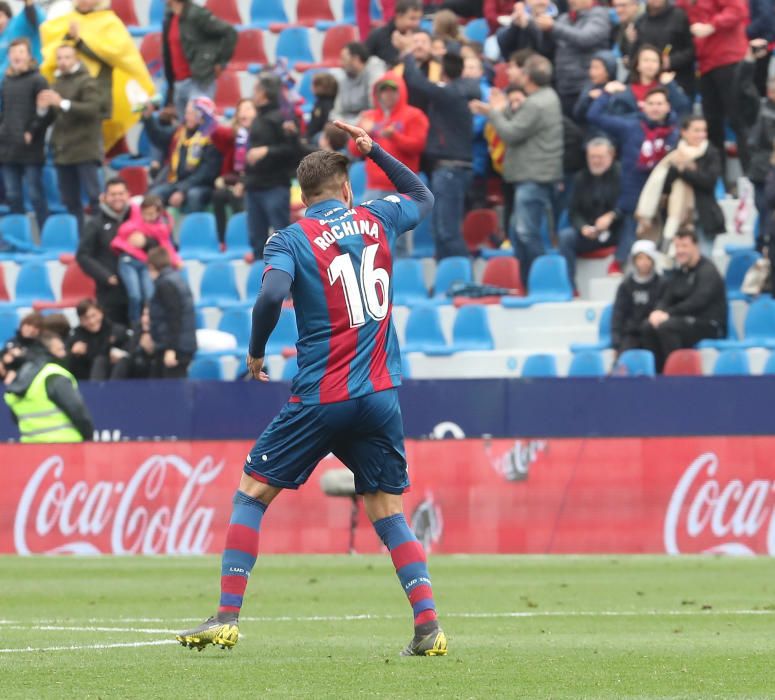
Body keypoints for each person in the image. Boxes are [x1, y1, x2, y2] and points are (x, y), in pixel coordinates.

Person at [175, 121, 446, 658]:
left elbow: (272, 291)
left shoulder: (291, 238)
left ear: (302, 196)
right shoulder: (377, 216)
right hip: (380, 393)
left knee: (252, 491)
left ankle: (227, 616)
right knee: (385, 505)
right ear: (347, 187)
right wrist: (377, 152)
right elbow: (422, 195)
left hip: (322, 394)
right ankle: (428, 625)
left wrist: (255, 350)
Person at [473, 54, 563, 281]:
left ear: (528, 77)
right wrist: (497, 110)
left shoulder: (536, 103)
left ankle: (541, 280)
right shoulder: (544, 97)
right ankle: (526, 280)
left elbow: (511, 133)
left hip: (533, 175)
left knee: (525, 231)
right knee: (517, 231)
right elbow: (519, 121)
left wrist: (494, 112)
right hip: (530, 174)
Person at [40, 0, 156, 154]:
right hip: (69, 95)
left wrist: (80, 42)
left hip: (96, 96)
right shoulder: (66, 21)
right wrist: (69, 37)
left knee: (91, 152)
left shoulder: (109, 23)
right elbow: (56, 54)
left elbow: (112, 56)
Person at [587, 86, 680, 272]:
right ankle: (620, 263)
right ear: (643, 107)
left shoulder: (676, 133)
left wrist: (672, 86)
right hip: (634, 193)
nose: (655, 108)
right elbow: (594, 116)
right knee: (630, 224)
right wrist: (606, 94)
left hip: (666, 193)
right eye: (651, 104)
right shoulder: (630, 126)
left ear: (668, 106)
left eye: (660, 103)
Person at [403, 51, 480, 259]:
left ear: (443, 72)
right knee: (440, 230)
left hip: (451, 170)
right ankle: (449, 282)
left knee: (447, 231)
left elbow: (416, 81)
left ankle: (462, 280)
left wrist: (408, 55)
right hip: (448, 169)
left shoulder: (450, 93)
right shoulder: (461, 91)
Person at [675, 0, 751, 171]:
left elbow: (738, 10)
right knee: (712, 124)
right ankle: (717, 179)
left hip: (728, 59)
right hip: (705, 64)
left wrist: (712, 25)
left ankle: (752, 179)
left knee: (739, 120)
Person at [635, 115, 725, 254]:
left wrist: (682, 170)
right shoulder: (673, 155)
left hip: (704, 217)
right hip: (676, 219)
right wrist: (681, 169)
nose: (701, 135)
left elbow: (708, 181)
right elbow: (664, 184)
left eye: (703, 130)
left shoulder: (711, 153)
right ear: (684, 132)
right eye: (696, 130)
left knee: (703, 258)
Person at [640, 229, 727, 372]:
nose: (680, 251)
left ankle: (677, 374)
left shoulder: (708, 271)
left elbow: (698, 302)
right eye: (677, 246)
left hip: (709, 324)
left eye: (684, 246)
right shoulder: (679, 273)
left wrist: (668, 314)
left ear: (696, 246)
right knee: (648, 326)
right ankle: (658, 374)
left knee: (668, 327)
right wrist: (657, 312)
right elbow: (667, 297)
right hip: (683, 321)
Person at [37, 43, 102, 232]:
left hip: (84, 150)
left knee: (94, 196)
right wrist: (42, 108)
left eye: (67, 57)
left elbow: (93, 110)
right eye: (59, 58)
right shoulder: (56, 83)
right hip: (63, 151)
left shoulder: (88, 81)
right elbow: (52, 117)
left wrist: (62, 103)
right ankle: (78, 238)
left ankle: (101, 237)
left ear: (76, 59)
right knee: (70, 200)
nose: (63, 62)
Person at [244, 73, 301, 259]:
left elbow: (293, 150)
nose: (253, 94)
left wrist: (266, 151)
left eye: (256, 90)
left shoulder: (281, 118)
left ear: (265, 93)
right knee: (257, 239)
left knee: (282, 237)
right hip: (254, 186)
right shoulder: (258, 119)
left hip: (275, 186)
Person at [4, 331, 94, 443]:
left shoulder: (21, 376)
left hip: (30, 449)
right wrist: (89, 436)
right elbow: (77, 410)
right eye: (60, 349)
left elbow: (15, 418)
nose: (64, 354)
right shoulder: (54, 374)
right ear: (48, 351)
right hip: (66, 448)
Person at [0, 38, 49, 230]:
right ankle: (19, 235)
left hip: (31, 148)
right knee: (13, 195)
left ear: (29, 55)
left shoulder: (38, 79)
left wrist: (32, 131)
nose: (16, 56)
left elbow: (46, 112)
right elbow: (4, 111)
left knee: (36, 194)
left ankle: (45, 233)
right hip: (8, 147)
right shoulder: (6, 80)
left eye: (20, 52)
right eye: (13, 52)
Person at [558, 138, 621, 290]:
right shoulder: (581, 178)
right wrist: (583, 227)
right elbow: (574, 211)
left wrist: (612, 216)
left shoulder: (622, 174)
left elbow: (628, 204)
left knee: (630, 224)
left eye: (600, 157)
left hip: (616, 232)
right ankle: (569, 287)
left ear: (611, 155)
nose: (595, 161)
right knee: (566, 237)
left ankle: (619, 262)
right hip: (591, 233)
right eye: (592, 157)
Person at [111, 194, 181, 323]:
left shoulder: (160, 228)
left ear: (158, 213)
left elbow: (166, 246)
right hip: (128, 261)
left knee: (149, 295)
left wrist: (176, 261)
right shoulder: (133, 223)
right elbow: (121, 235)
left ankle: (150, 323)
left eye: (152, 214)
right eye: (146, 214)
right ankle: (135, 324)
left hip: (145, 263)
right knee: (135, 295)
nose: (149, 217)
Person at [146, 97, 223, 213]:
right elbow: (160, 137)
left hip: (202, 185)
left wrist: (182, 190)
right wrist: (148, 118)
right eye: (187, 113)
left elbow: (205, 173)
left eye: (193, 114)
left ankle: (194, 230)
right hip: (177, 182)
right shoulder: (180, 132)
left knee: (193, 196)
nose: (188, 117)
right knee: (153, 196)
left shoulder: (212, 138)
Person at [162, 0, 237, 119]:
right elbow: (168, 54)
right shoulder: (169, 17)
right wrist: (170, 91)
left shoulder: (196, 14)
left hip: (199, 81)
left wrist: (221, 62)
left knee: (199, 128)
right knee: (184, 133)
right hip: (178, 84)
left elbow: (229, 32)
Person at [534, 0, 611, 115]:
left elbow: (585, 38)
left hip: (586, 86)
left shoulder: (599, 15)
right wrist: (545, 32)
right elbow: (547, 49)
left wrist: (553, 27)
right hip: (563, 86)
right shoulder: (563, 18)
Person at [77, 177, 131, 326]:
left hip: (137, 288)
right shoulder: (95, 223)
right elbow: (83, 255)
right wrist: (106, 276)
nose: (117, 198)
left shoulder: (137, 219)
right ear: (105, 197)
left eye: (121, 193)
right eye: (113, 194)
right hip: (110, 292)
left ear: (128, 195)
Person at [211, 98, 256, 245]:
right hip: (237, 180)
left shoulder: (261, 134)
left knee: (239, 196)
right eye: (240, 110)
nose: (243, 112)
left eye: (248, 109)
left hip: (256, 182)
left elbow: (255, 169)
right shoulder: (235, 137)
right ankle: (222, 240)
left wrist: (237, 182)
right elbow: (217, 134)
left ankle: (245, 240)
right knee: (218, 194)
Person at [147, 246, 197, 379]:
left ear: (151, 266)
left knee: (173, 392)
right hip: (181, 344)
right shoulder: (176, 279)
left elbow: (174, 317)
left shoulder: (165, 284)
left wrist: (171, 349)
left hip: (176, 347)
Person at [610, 239, 664, 355]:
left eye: (647, 258)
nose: (644, 262)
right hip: (630, 335)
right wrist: (616, 342)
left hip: (653, 334)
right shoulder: (626, 285)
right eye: (640, 258)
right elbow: (618, 314)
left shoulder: (661, 283)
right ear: (634, 261)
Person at [632, 0, 695, 98]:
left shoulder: (679, 16)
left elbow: (693, 50)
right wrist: (630, 41)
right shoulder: (640, 22)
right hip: (649, 89)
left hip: (679, 81)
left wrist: (671, 61)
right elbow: (634, 56)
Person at [607, 44, 691, 117]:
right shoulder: (626, 90)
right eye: (646, 60)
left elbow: (683, 108)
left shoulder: (667, 87)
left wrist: (670, 85)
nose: (650, 64)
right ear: (637, 65)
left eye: (654, 61)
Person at [67, 298, 131, 381]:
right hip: (85, 381)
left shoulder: (117, 331)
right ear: (80, 320)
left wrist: (120, 354)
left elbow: (130, 353)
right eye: (85, 318)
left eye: (93, 315)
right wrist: (73, 354)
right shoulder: (76, 336)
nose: (91, 321)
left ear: (101, 313)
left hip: (113, 377)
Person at [330, 42, 384, 124]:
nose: (341, 64)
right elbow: (337, 110)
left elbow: (375, 105)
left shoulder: (374, 70)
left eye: (344, 59)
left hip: (368, 122)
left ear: (356, 59)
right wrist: (338, 122)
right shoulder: (343, 77)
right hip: (346, 124)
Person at [748, 76, 775, 226]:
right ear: (770, 93)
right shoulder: (760, 109)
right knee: (765, 213)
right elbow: (744, 87)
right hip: (763, 172)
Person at [365, 0, 423, 66]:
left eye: (419, 19)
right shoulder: (378, 36)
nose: (417, 23)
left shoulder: (421, 36)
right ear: (399, 16)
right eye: (412, 19)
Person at [0, 0, 44, 78]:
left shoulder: (17, 24)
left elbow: (36, 19)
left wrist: (28, 2)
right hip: (7, 85)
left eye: (0, 16)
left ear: (9, 17)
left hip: (29, 79)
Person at [1, 311, 43, 385]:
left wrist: (20, 356)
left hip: (23, 380)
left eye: (35, 327)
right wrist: (3, 359)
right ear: (22, 325)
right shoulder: (13, 341)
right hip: (4, 375)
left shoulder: (40, 345)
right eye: (28, 325)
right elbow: (3, 353)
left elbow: (36, 361)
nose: (31, 329)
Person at [307, 72, 338, 142]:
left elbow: (319, 124)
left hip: (322, 135)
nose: (310, 87)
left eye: (314, 85)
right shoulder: (319, 102)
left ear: (322, 87)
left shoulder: (326, 105)